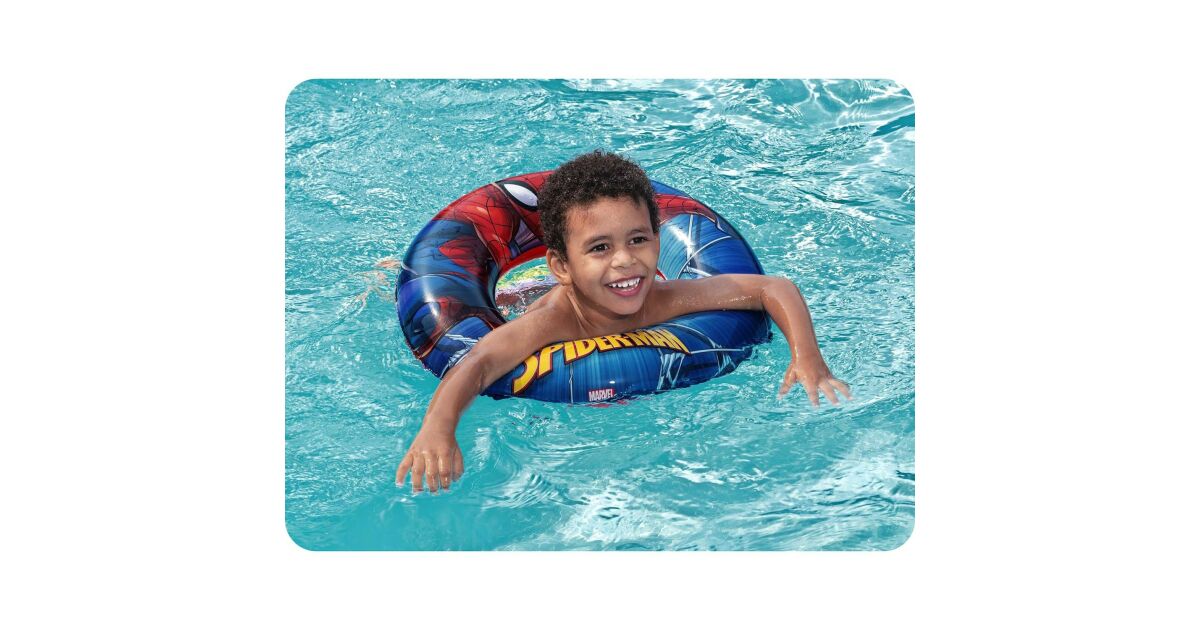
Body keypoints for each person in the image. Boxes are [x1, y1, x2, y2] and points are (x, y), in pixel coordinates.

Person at [396, 150, 850, 494]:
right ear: (562, 265)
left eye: (638, 240)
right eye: (600, 248)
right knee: (518, 301)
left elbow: (774, 288)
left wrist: (807, 359)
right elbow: (477, 363)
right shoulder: (551, 323)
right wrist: (438, 428)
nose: (625, 261)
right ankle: (390, 278)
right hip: (536, 304)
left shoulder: (664, 299)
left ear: (658, 240)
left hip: (597, 303)